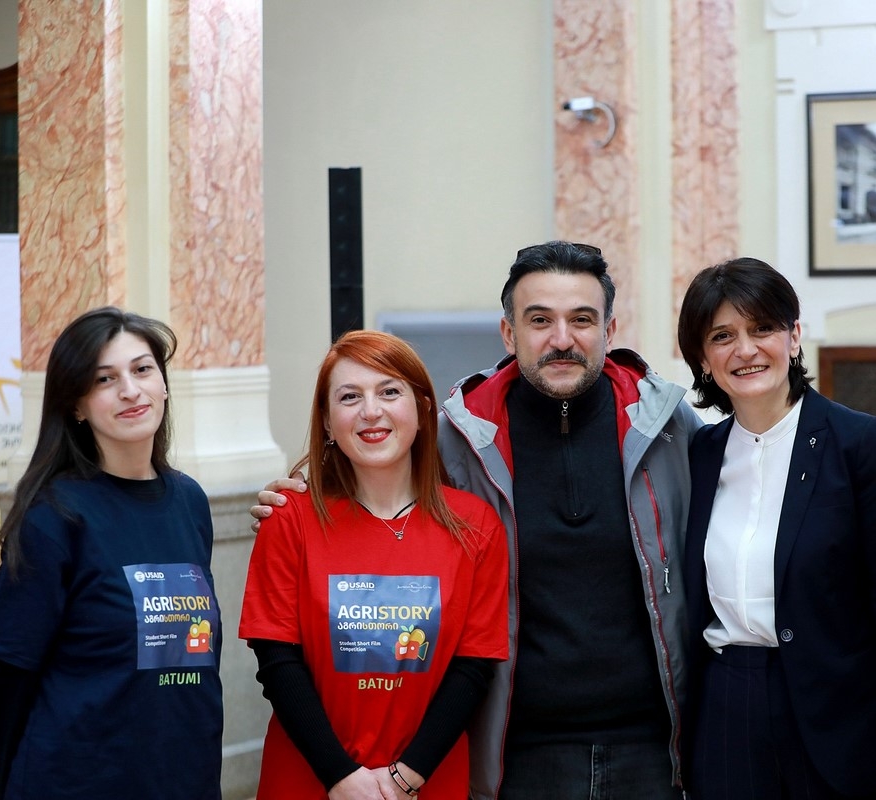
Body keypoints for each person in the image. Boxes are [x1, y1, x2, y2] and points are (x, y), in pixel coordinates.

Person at [254, 241, 703, 800]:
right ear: (509, 333)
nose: (562, 338)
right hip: (517, 752)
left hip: (653, 748)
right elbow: (377, 472)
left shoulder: (668, 428)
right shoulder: (460, 436)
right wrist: (297, 496)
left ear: (610, 330)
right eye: (539, 320)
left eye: (582, 319)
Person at [676, 258, 876, 800]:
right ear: (704, 359)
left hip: (836, 711)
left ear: (794, 336)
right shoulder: (700, 453)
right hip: (726, 704)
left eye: (762, 328)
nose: (746, 349)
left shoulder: (859, 443)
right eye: (722, 336)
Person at [0, 307, 223, 800]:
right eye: (105, 379)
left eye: (142, 369)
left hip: (183, 777)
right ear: (77, 406)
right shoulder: (55, 516)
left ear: (164, 385)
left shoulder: (189, 501)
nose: (130, 390)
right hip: (76, 782)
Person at [239, 330, 509, 800]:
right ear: (327, 422)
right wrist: (341, 777)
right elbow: (277, 662)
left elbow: (473, 668)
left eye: (389, 392)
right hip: (309, 780)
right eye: (349, 397)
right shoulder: (289, 519)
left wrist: (405, 779)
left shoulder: (476, 525)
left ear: (423, 410)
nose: (370, 411)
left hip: (427, 782)